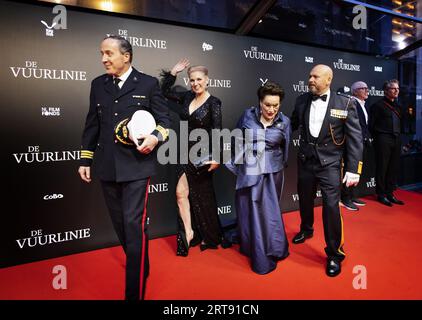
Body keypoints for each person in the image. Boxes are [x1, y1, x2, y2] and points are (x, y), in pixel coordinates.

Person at [78, 35, 170, 300]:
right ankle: (143, 262)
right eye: (102, 53)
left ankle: (134, 293)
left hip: (137, 167)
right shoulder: (98, 84)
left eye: (108, 53)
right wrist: (86, 159)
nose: (104, 58)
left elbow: (164, 121)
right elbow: (92, 124)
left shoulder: (149, 84)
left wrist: (155, 137)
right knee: (123, 227)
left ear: (126, 56)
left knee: (132, 225)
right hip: (107, 167)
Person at [290, 64, 363, 277]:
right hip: (305, 160)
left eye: (315, 77)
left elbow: (355, 138)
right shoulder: (301, 100)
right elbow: (292, 123)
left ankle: (334, 254)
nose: (310, 80)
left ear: (328, 80)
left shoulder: (346, 102)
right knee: (304, 198)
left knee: (331, 207)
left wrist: (353, 168)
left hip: (330, 163)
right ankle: (306, 229)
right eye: (309, 76)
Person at [160, 58, 228, 256]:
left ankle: (209, 234)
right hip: (182, 151)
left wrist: (216, 156)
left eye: (199, 79)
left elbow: (217, 130)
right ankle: (189, 232)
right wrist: (173, 73)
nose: (195, 83)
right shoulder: (186, 97)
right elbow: (164, 92)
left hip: (202, 154)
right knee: (181, 193)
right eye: (192, 80)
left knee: (203, 196)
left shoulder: (214, 102)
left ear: (207, 80)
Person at [226, 81, 290, 274]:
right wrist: (237, 164)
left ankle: (271, 248)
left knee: (268, 212)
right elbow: (236, 138)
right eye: (267, 105)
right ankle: (249, 245)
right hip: (249, 169)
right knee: (247, 208)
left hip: (272, 172)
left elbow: (285, 149)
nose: (271, 109)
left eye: (276, 105)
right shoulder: (247, 115)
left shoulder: (285, 122)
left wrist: (277, 167)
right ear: (260, 102)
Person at [369, 79, 405, 207]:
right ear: (386, 91)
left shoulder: (399, 107)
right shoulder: (377, 106)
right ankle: (381, 195)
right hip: (383, 138)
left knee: (393, 167)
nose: (396, 91)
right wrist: (378, 138)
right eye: (393, 88)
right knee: (382, 167)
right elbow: (371, 125)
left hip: (396, 139)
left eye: (398, 88)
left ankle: (390, 193)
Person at [340, 81, 372, 211]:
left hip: (361, 142)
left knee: (357, 170)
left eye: (367, 88)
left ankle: (352, 196)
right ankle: (345, 198)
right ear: (355, 91)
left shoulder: (363, 104)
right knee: (350, 168)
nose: (367, 91)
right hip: (351, 144)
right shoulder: (351, 103)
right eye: (363, 88)